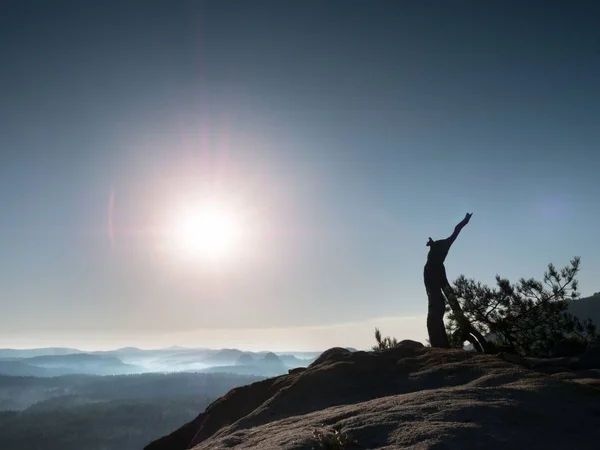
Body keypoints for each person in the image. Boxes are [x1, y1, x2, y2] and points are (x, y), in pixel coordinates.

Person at [424, 213, 472, 348]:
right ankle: (440, 341)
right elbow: (455, 232)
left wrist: (464, 221)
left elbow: (456, 231)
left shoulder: (443, 245)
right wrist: (465, 221)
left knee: (439, 301)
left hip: (434, 271)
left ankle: (445, 338)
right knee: (436, 302)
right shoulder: (443, 245)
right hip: (431, 272)